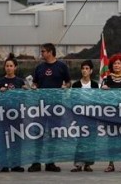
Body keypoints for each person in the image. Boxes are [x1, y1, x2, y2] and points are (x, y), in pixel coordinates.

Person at [28, 43, 71, 173]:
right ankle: (36, 162)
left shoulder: (62, 66)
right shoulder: (39, 67)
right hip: (40, 106)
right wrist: (34, 87)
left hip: (56, 106)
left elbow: (69, 82)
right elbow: (35, 83)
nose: (41, 53)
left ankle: (50, 162)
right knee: (38, 133)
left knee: (53, 134)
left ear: (50, 52)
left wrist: (65, 86)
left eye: (43, 51)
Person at [0, 55, 26, 172]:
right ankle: (4, 164)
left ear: (15, 67)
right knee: (4, 140)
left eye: (11, 66)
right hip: (4, 115)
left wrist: (25, 91)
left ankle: (16, 164)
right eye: (7, 66)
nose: (8, 68)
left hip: (17, 115)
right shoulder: (0, 82)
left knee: (16, 140)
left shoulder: (19, 81)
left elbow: (24, 99)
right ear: (4, 67)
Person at [70, 60, 99, 172]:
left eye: (87, 68)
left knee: (91, 140)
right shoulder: (76, 85)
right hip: (80, 116)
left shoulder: (95, 85)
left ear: (91, 71)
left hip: (92, 116)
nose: (84, 71)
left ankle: (88, 164)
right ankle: (78, 163)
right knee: (81, 140)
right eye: (83, 68)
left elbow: (98, 101)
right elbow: (73, 100)